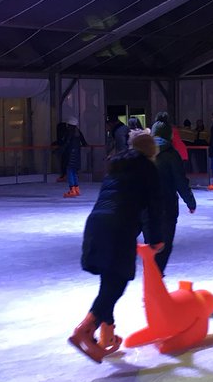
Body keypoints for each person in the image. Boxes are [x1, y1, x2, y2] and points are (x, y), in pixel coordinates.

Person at [69, 130, 163, 362]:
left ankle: (107, 337)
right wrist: (155, 239)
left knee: (109, 281)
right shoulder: (148, 169)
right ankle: (85, 329)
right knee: (117, 282)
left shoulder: (116, 166)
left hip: (96, 223)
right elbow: (153, 208)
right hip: (119, 227)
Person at [150, 119, 196, 274]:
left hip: (145, 207)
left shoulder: (143, 152)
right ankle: (155, 279)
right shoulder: (171, 155)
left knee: (152, 244)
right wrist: (190, 202)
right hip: (167, 206)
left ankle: (152, 279)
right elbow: (180, 181)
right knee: (165, 244)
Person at [61, 117, 84, 198]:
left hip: (70, 155)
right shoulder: (78, 132)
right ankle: (77, 189)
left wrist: (61, 151)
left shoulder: (69, 133)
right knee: (74, 172)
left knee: (69, 172)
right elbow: (84, 142)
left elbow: (66, 143)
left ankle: (72, 190)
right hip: (77, 155)